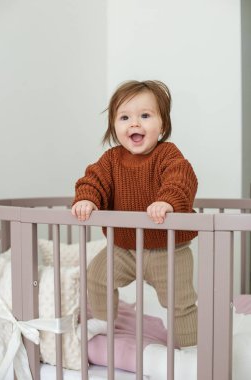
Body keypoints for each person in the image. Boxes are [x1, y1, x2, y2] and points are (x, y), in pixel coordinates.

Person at [72, 80, 198, 347]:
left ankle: (189, 347)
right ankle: (105, 320)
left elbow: (181, 178)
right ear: (114, 126)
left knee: (180, 303)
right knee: (97, 275)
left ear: (162, 125)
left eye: (145, 115)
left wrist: (168, 201)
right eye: (125, 117)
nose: (135, 124)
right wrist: (87, 199)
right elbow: (92, 180)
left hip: (169, 250)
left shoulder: (167, 154)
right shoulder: (110, 160)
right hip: (125, 248)